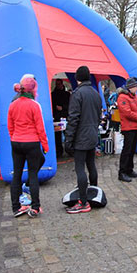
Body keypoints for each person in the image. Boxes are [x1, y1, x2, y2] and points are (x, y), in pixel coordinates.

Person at [8, 75, 48, 218]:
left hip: (16, 142)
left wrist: (14, 137)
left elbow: (10, 126)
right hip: (32, 142)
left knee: (16, 175)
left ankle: (16, 207)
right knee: (33, 175)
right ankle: (35, 207)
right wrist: (45, 145)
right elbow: (40, 128)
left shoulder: (13, 104)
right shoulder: (34, 105)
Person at [64, 66, 102, 213]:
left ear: (77, 78)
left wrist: (68, 139)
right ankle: (93, 193)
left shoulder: (77, 94)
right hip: (92, 134)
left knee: (80, 168)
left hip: (81, 136)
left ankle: (83, 202)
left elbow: (73, 119)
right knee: (91, 164)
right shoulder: (96, 93)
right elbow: (99, 116)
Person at [117, 77, 137, 182]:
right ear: (131, 87)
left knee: (132, 150)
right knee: (127, 150)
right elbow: (127, 113)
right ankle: (122, 172)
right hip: (128, 127)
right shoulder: (122, 97)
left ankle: (129, 169)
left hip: (135, 126)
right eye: (136, 87)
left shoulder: (133, 96)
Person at [51, 79, 70, 158]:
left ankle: (69, 149)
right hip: (56, 117)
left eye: (59, 84)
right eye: (57, 84)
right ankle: (59, 151)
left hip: (65, 116)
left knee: (68, 134)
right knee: (57, 136)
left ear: (62, 84)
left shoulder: (67, 94)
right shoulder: (53, 94)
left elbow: (70, 105)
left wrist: (62, 108)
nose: (58, 85)